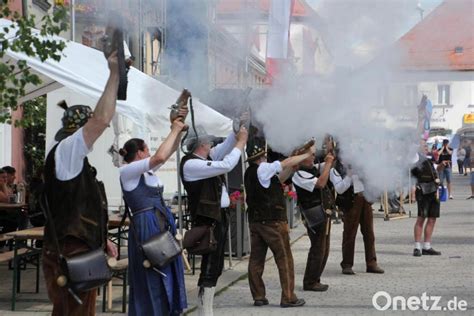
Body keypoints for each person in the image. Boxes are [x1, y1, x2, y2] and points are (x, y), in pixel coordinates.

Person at [42, 51, 120, 316]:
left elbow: (81, 209)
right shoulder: (66, 150)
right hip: (70, 253)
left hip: (79, 250)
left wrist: (102, 239)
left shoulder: (71, 156)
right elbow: (100, 120)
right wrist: (114, 75)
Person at [118, 109, 188, 315]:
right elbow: (159, 158)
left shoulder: (145, 171)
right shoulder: (127, 171)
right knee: (153, 273)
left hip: (158, 222)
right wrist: (173, 129)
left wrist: (178, 130)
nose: (149, 153)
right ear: (139, 152)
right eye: (147, 150)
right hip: (146, 225)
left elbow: (167, 154)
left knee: (167, 269)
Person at [180, 123, 248, 315]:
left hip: (217, 217)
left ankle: (206, 309)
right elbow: (227, 163)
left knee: (216, 266)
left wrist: (236, 128)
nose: (211, 142)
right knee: (210, 267)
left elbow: (226, 145)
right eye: (208, 140)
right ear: (201, 143)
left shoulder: (203, 158)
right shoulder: (191, 164)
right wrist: (242, 141)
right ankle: (204, 312)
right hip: (208, 221)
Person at [245, 142, 311, 308]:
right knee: (284, 259)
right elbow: (283, 164)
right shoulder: (263, 168)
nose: (266, 158)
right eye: (264, 156)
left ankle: (258, 296)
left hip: (256, 221)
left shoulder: (251, 171)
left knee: (256, 260)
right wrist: (306, 154)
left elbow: (278, 178)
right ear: (261, 157)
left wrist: (293, 167)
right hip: (272, 221)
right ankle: (288, 297)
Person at [292, 142, 335, 292]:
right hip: (313, 214)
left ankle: (315, 278)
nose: (313, 157)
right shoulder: (299, 174)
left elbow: (328, 165)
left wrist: (331, 153)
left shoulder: (310, 169)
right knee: (318, 248)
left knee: (324, 248)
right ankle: (310, 281)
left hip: (322, 212)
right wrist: (328, 163)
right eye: (310, 154)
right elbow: (321, 183)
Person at [330, 161, 384, 275]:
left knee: (369, 233)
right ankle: (347, 264)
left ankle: (371, 263)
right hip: (351, 201)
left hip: (365, 199)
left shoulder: (360, 161)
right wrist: (349, 176)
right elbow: (340, 189)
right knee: (349, 234)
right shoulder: (336, 169)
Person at [411, 141, 441, 256]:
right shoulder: (414, 157)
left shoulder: (428, 158)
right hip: (423, 191)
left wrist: (442, 165)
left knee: (432, 218)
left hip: (433, 190)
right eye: (424, 145)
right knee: (421, 218)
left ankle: (427, 246)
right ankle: (417, 247)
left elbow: (436, 170)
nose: (426, 147)